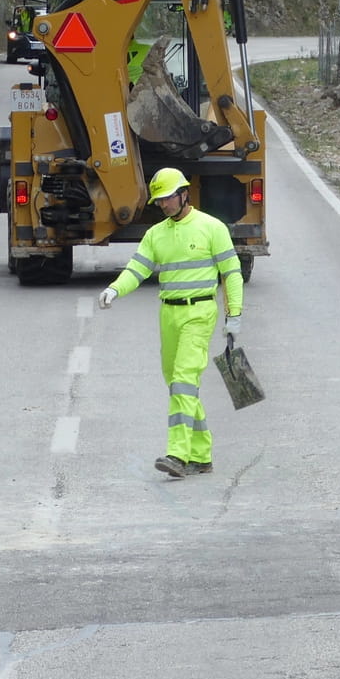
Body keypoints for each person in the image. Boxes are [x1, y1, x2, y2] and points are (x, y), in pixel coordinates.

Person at [98, 167, 243, 478]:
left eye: (167, 199)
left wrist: (235, 316)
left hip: (199, 313)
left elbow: (232, 273)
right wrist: (114, 289)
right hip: (169, 315)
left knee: (182, 381)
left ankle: (177, 454)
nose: (163, 205)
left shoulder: (211, 228)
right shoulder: (156, 235)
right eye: (159, 201)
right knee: (180, 386)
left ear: (184, 194)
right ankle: (201, 455)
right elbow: (137, 270)